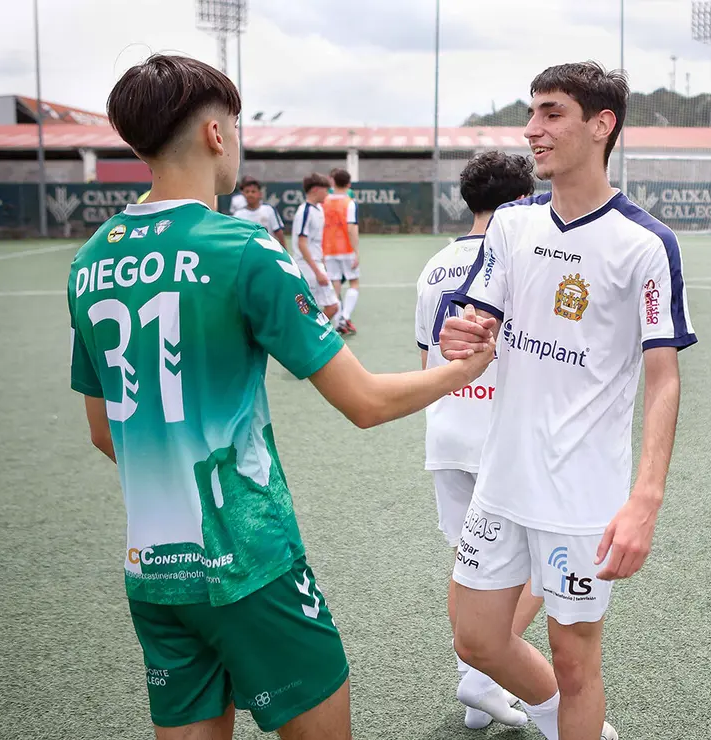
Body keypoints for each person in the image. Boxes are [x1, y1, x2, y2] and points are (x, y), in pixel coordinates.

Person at [67, 53, 495, 740]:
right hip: (250, 563)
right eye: (235, 129)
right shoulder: (242, 247)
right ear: (215, 135)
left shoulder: (90, 262)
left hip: (152, 570)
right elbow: (365, 402)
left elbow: (101, 433)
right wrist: (466, 369)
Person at [440, 61, 696, 740]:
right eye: (533, 114)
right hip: (502, 477)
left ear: (601, 125)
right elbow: (479, 321)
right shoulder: (512, 227)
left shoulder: (645, 244)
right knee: (474, 637)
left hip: (582, 494)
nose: (533, 129)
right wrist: (465, 330)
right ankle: (561, 719)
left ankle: (572, 718)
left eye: (551, 114)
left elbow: (664, 377)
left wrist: (646, 498)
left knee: (575, 661)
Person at [414, 150, 543, 731]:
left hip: (447, 430)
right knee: (546, 567)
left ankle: (476, 688)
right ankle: (482, 672)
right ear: (520, 202)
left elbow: (428, 362)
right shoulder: (522, 258)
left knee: (471, 563)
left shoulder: (433, 266)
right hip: (505, 437)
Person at [291, 173, 341, 326]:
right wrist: (317, 271)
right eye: (325, 190)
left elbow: (315, 241)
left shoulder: (318, 209)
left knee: (320, 308)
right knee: (331, 306)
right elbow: (302, 243)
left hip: (316, 264)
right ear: (315, 190)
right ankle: (313, 335)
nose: (327, 193)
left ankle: (311, 335)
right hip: (307, 267)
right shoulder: (305, 211)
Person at [323, 168, 361, 335]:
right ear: (349, 184)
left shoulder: (324, 201)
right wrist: (356, 251)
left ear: (333, 182)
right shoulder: (349, 202)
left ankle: (339, 321)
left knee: (335, 284)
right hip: (346, 248)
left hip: (328, 249)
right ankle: (345, 316)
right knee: (354, 282)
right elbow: (351, 227)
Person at [233, 175, 286, 247]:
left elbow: (279, 233)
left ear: (260, 194)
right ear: (243, 194)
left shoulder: (269, 210)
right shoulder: (238, 215)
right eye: (247, 192)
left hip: (268, 251)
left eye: (253, 191)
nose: (250, 194)